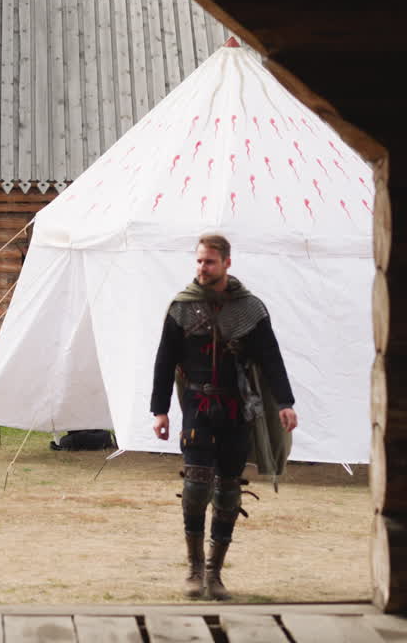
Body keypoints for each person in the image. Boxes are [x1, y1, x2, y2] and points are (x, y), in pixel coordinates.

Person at [150, 234, 298, 600]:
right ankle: (194, 569)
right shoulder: (181, 307)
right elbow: (165, 359)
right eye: (199, 261)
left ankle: (215, 574)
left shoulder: (250, 309)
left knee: (228, 491)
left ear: (227, 263)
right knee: (196, 487)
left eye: (209, 262)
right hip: (198, 408)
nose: (202, 268)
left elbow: (270, 357)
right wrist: (160, 410)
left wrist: (285, 402)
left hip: (236, 411)